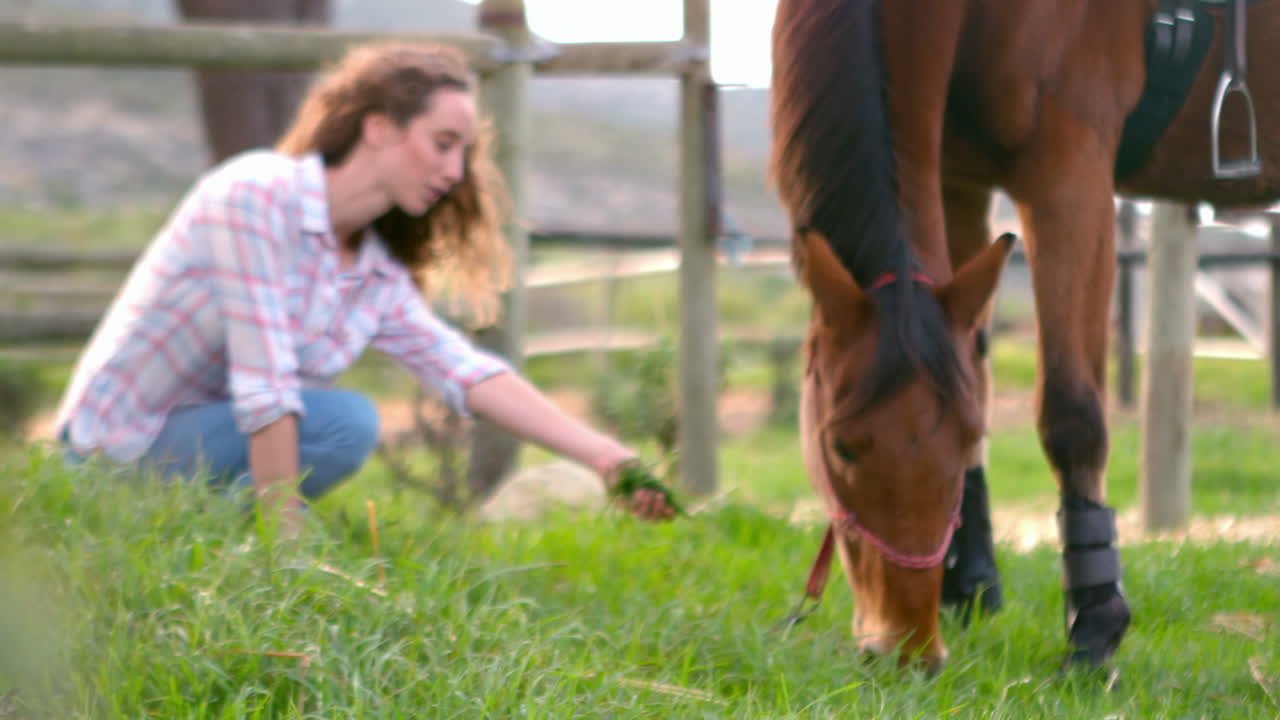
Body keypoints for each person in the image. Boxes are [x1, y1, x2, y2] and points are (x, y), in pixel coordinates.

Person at [53, 42, 677, 533]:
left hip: (196, 449)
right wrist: (288, 554)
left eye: (463, 152)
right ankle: (225, 538)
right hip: (110, 453)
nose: (455, 172)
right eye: (443, 144)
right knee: (339, 420)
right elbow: (265, 388)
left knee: (345, 424)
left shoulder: (373, 273)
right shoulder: (255, 194)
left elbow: (466, 371)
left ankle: (205, 539)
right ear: (378, 128)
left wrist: (604, 457)